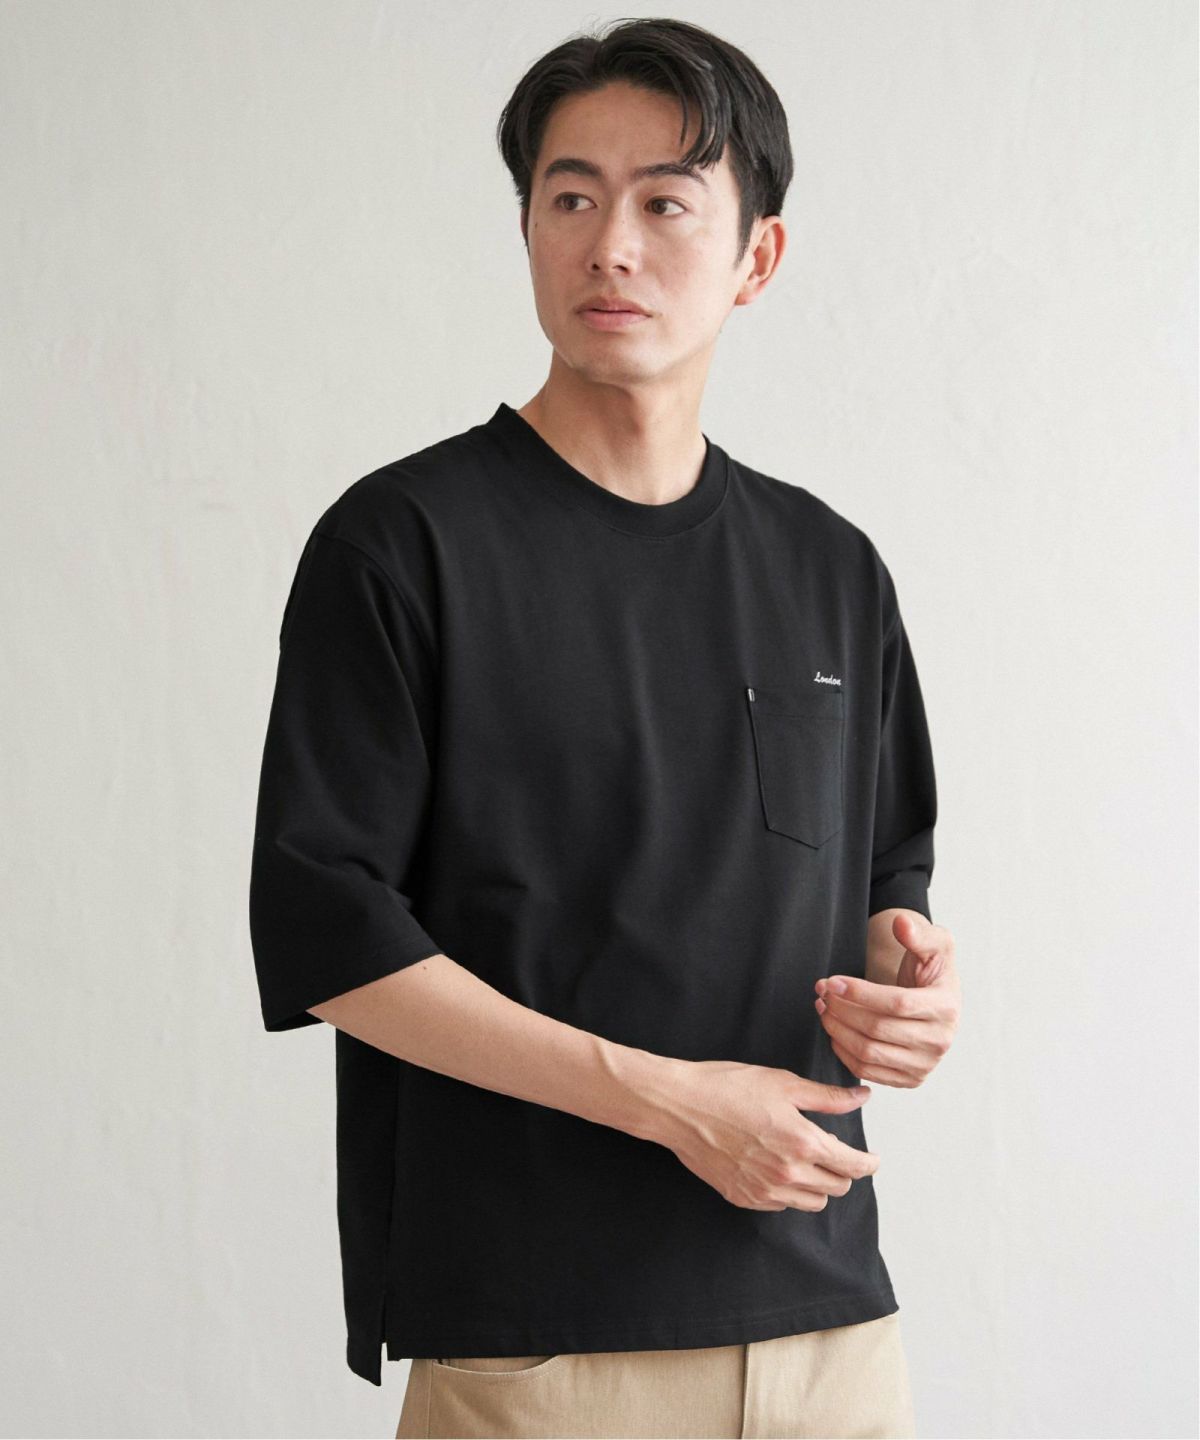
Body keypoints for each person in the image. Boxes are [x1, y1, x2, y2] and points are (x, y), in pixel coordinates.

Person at [248, 17, 961, 1439]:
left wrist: (903, 978)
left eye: (665, 204)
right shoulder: (404, 544)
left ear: (757, 255)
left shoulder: (830, 566)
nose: (610, 247)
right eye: (570, 198)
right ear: (526, 228)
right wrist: (664, 1101)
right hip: (539, 1344)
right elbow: (330, 934)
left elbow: (886, 873)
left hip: (827, 1327)